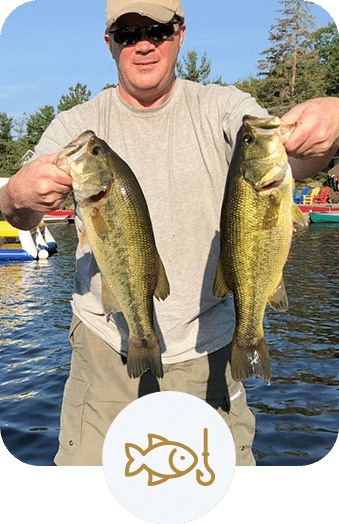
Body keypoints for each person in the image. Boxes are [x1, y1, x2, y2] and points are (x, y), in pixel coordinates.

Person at [1, 0, 339, 467]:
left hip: (211, 346)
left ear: (180, 34)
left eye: (157, 30)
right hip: (105, 347)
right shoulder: (74, 126)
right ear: (109, 44)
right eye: (127, 33)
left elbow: (293, 158)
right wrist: (16, 194)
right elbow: (20, 216)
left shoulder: (225, 107)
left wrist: (329, 124)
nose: (143, 44)